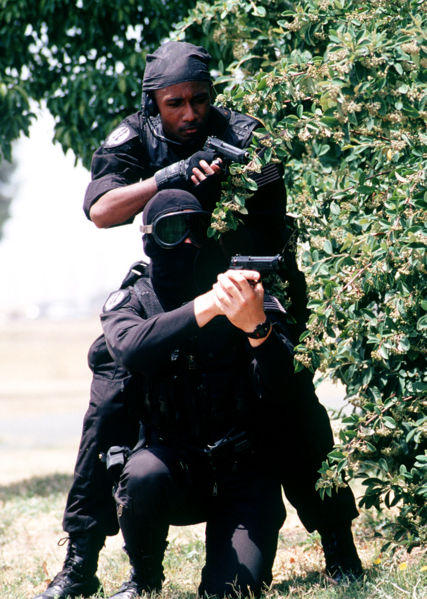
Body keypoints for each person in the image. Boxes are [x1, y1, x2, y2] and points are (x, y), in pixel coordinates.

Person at [33, 41, 362, 599]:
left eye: (200, 100)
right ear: (153, 103)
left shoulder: (244, 136)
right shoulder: (134, 136)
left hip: (246, 282)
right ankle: (80, 564)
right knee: (109, 398)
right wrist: (170, 178)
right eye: (175, 103)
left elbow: (270, 233)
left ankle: (339, 545)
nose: (190, 113)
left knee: (292, 399)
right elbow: (101, 211)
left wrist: (253, 307)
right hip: (170, 287)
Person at [100, 190, 292, 598]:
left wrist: (256, 327)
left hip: (243, 472)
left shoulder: (244, 292)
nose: (188, 241)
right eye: (172, 229)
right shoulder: (134, 299)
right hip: (173, 470)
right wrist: (208, 306)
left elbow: (284, 384)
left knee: (231, 592)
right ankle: (144, 577)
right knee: (142, 474)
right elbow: (129, 347)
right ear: (149, 238)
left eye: (198, 228)